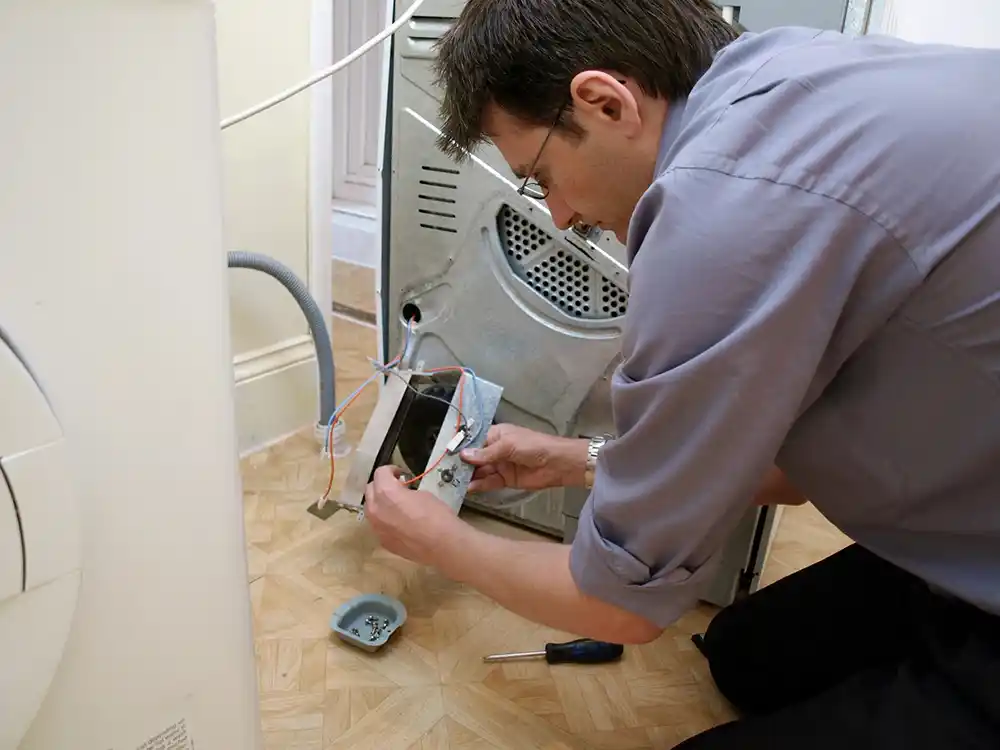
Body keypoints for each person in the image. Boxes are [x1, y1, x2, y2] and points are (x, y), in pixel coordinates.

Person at [362, 1, 1000, 747]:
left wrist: (442, 542)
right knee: (747, 654)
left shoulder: (721, 213)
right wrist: (582, 460)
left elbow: (620, 610)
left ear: (606, 102)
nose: (558, 218)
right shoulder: (786, 71)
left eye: (541, 177)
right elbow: (788, 469)